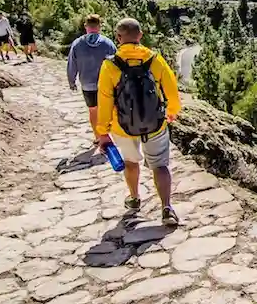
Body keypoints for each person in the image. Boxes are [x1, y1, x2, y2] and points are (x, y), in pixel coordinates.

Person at [95, 18, 181, 225]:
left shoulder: (109, 65)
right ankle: (166, 208)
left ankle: (134, 198)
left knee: (131, 163)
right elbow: (172, 89)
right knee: (160, 166)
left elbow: (104, 100)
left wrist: (102, 131)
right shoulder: (155, 59)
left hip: (122, 127)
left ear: (118, 38)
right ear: (140, 36)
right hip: (155, 124)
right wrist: (172, 111)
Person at [67, 14, 116, 142]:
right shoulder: (108, 43)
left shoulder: (77, 44)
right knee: (108, 110)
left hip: (87, 84)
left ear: (86, 26)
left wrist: (71, 81)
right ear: (99, 27)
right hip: (106, 84)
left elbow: (72, 63)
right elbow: (117, 64)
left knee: (93, 111)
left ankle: (98, 137)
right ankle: (108, 134)